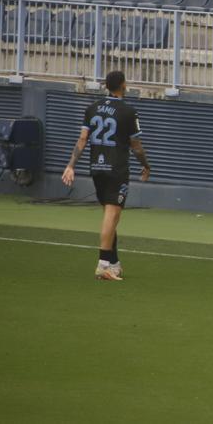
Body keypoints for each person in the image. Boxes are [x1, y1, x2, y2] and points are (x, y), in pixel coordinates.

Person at [61, 71, 151, 281]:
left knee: (110, 216)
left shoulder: (92, 108)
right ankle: (103, 265)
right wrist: (146, 165)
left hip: (96, 168)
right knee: (112, 215)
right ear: (123, 85)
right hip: (117, 168)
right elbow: (136, 147)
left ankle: (114, 263)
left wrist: (70, 165)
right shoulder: (128, 111)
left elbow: (83, 139)